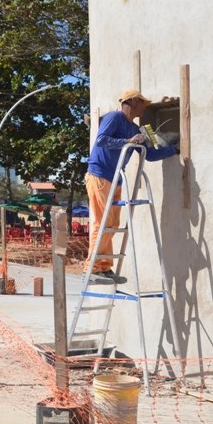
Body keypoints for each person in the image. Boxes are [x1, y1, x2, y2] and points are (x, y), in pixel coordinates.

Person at [85, 89, 179, 284]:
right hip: (100, 175)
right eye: (143, 103)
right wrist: (128, 141)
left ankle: (104, 267)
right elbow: (101, 140)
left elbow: (151, 155)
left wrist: (174, 149)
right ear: (133, 101)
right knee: (102, 223)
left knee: (111, 226)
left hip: (117, 179)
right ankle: (92, 269)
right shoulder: (114, 117)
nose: (145, 108)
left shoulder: (137, 129)